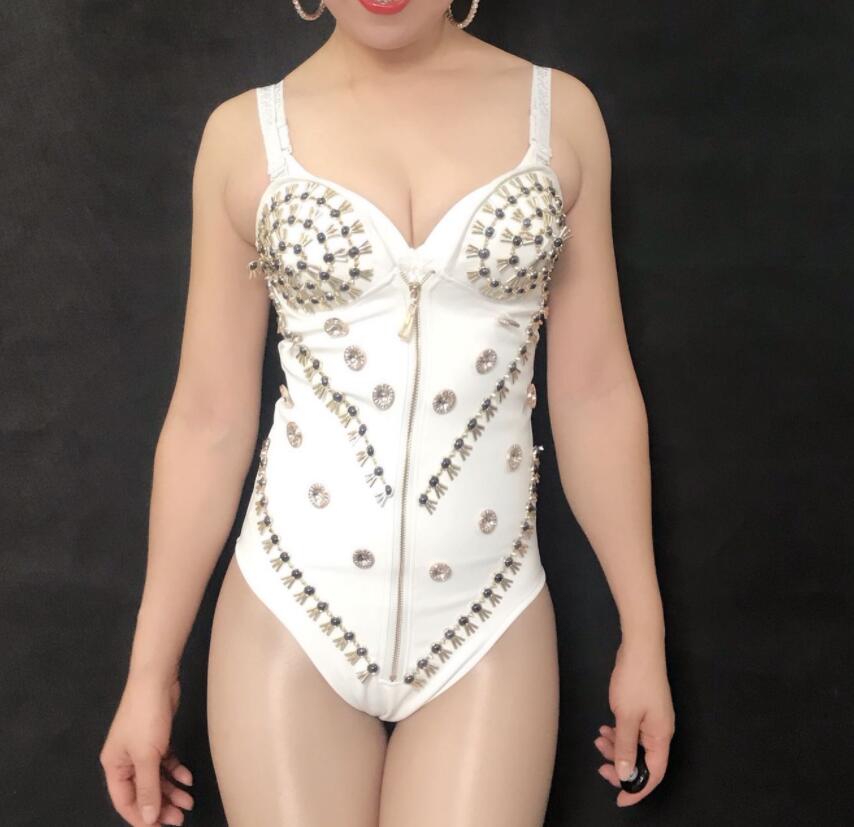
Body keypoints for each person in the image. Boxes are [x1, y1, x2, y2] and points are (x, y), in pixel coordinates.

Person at [99, 1, 675, 824]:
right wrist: (149, 675)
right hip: (287, 616)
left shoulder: (562, 116)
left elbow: (595, 392)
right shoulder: (242, 135)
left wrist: (644, 635)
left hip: (490, 620)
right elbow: (207, 418)